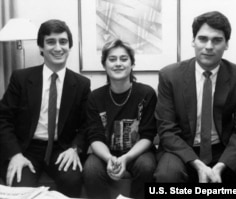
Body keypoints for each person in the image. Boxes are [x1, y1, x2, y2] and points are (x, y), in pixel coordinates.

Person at [154, 11, 236, 183]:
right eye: (203, 38)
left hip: (223, 148)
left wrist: (221, 166)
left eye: (217, 40)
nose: (209, 46)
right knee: (166, 175)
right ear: (193, 41)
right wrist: (198, 165)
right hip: (182, 148)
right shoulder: (170, 75)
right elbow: (167, 129)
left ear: (226, 44)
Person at [0, 19, 90, 197]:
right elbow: (3, 119)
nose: (58, 48)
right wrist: (15, 154)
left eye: (63, 42)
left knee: (72, 179)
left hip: (61, 148)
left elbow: (88, 123)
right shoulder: (21, 79)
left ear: (69, 47)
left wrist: (75, 148)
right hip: (26, 148)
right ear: (41, 47)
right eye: (51, 42)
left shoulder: (81, 84)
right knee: (20, 184)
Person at [83, 39, 157, 199]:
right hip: (105, 153)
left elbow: (148, 136)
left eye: (124, 59)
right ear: (104, 65)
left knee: (146, 166)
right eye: (112, 59)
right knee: (90, 169)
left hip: (139, 153)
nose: (118, 64)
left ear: (132, 64)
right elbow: (94, 137)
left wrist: (126, 157)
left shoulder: (146, 94)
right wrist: (109, 158)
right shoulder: (95, 97)